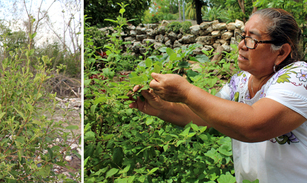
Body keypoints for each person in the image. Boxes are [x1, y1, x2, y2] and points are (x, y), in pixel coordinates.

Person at [129, 8, 306, 182]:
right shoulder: (241, 81)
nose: (241, 45)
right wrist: (162, 107)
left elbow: (254, 125)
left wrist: (187, 92)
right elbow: (205, 116)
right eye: (243, 37)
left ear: (281, 52)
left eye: (252, 39)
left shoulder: (299, 77)